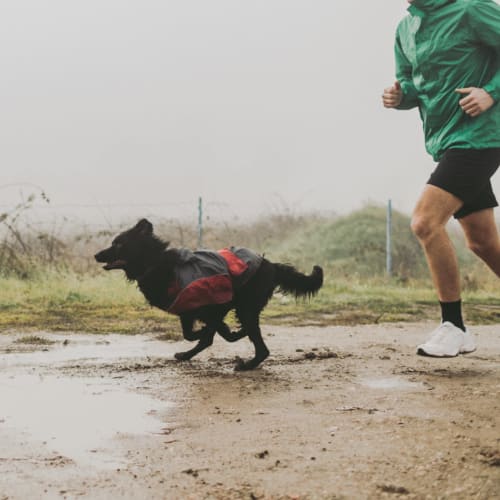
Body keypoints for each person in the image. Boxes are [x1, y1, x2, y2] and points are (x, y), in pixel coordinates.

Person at [383, 0, 500, 357]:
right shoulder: (406, 29)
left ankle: (454, 326)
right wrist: (400, 96)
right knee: (481, 241)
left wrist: (490, 93)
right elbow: (413, 83)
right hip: (445, 139)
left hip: (481, 137)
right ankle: (455, 328)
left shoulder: (471, 8)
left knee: (425, 222)